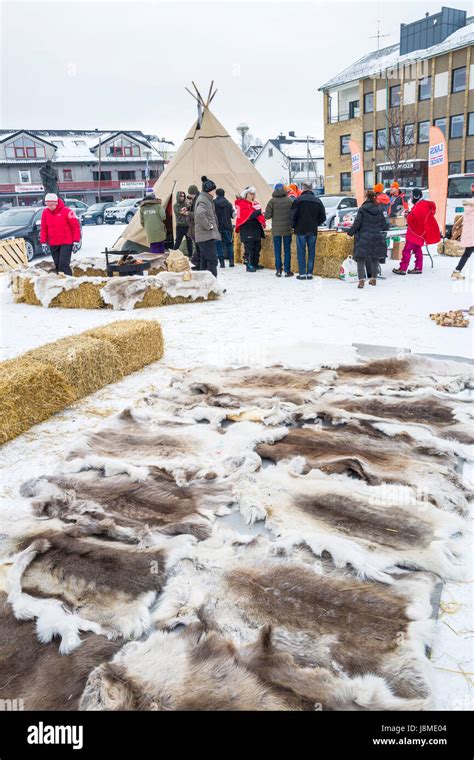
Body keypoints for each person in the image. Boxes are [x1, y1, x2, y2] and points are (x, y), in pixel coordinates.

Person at [347, 189, 389, 288]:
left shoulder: (362, 209)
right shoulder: (379, 208)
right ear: (375, 197)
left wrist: (350, 233)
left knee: (361, 259)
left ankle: (361, 280)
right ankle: (373, 279)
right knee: (375, 258)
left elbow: (357, 223)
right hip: (376, 236)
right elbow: (384, 224)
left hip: (364, 237)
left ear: (366, 197)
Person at [393, 188, 440, 275]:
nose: (411, 198)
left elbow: (416, 219)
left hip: (415, 232)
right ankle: (418, 267)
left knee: (407, 250)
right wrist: (410, 213)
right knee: (417, 250)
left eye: (411, 195)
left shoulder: (420, 205)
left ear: (416, 196)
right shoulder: (422, 204)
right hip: (419, 232)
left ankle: (403, 268)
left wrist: (408, 215)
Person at [290, 181, 326, 280]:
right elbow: (323, 217)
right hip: (312, 230)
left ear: (303, 188)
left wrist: (294, 226)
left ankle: (302, 274)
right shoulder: (317, 201)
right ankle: (309, 273)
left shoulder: (298, 200)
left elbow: (292, 216)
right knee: (311, 252)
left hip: (300, 229)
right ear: (311, 189)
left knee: (301, 252)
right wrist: (315, 223)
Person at [40, 193, 81, 275]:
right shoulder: (45, 213)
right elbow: (44, 228)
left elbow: (75, 227)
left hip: (66, 242)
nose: (50, 207)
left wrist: (76, 241)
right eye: (48, 205)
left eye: (52, 205)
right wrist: (43, 242)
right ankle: (61, 283)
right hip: (53, 242)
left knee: (64, 264)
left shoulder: (67, 212)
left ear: (56, 203)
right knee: (57, 264)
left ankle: (69, 282)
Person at [265, 183, 294, 277]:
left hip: (276, 230)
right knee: (287, 250)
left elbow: (267, 216)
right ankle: (287, 270)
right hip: (287, 229)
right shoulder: (289, 200)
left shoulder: (272, 201)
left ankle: (278, 270)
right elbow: (293, 214)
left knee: (277, 251)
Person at [194, 176, 220, 277]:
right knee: (213, 261)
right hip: (205, 235)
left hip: (204, 236)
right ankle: (213, 286)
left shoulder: (206, 198)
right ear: (210, 190)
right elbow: (200, 214)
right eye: (214, 189)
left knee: (205, 262)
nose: (215, 191)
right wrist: (209, 226)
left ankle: (204, 285)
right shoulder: (204, 199)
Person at [235, 187, 266, 272]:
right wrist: (258, 212)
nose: (253, 195)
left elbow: (257, 215)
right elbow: (245, 216)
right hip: (247, 229)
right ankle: (249, 265)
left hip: (255, 228)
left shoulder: (255, 203)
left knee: (257, 247)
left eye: (253, 194)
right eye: (250, 194)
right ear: (246, 194)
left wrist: (261, 217)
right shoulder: (241, 204)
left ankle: (255, 263)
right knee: (249, 248)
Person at [452, 183, 474, 280]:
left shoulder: (469, 203)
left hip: (469, 233)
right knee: (467, 253)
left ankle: (456, 272)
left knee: (467, 253)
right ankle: (456, 272)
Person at [214, 188, 235, 267]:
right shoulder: (228, 204)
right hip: (227, 226)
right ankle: (231, 261)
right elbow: (232, 215)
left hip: (217, 227)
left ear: (216, 194)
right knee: (229, 244)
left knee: (218, 245)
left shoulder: (214, 203)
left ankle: (222, 263)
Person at [173, 190, 193, 257]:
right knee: (178, 242)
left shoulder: (186, 204)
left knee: (189, 242)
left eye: (183, 196)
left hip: (187, 226)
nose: (182, 198)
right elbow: (181, 212)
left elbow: (190, 208)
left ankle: (190, 255)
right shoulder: (175, 205)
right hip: (180, 226)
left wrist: (187, 208)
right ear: (178, 197)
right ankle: (173, 255)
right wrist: (187, 211)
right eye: (181, 196)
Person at [185, 184, 200, 269]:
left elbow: (197, 214)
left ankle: (198, 263)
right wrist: (187, 208)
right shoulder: (196, 199)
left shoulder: (198, 200)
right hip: (194, 227)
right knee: (197, 246)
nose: (189, 196)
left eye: (190, 194)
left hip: (196, 227)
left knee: (198, 247)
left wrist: (188, 213)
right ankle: (198, 263)